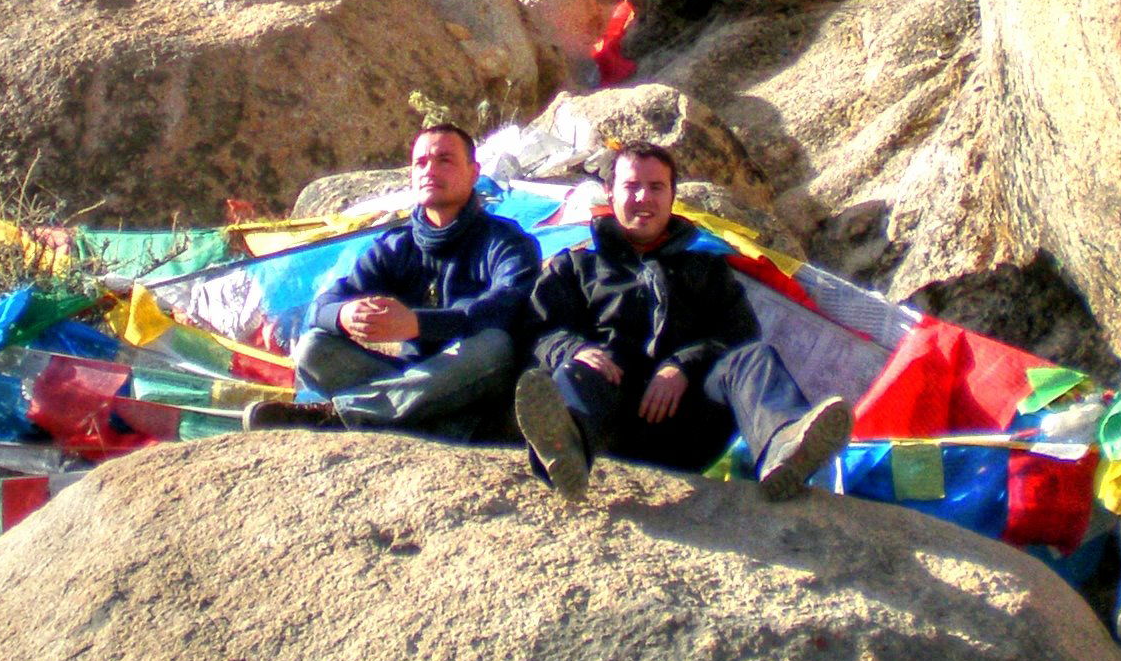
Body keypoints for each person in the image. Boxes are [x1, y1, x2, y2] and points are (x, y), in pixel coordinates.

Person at [512, 145, 850, 504]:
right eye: (632, 186)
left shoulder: (706, 270)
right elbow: (536, 329)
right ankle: (565, 451)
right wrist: (575, 349)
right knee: (576, 371)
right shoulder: (576, 268)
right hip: (606, 419)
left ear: (672, 196)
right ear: (610, 193)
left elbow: (739, 334)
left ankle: (786, 452)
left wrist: (682, 366)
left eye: (656, 187)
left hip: (685, 423)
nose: (644, 197)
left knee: (753, 359)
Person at [249, 123, 538, 436]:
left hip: (474, 377)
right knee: (313, 349)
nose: (430, 170)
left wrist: (417, 324)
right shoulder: (396, 246)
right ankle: (441, 424)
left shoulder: (506, 241)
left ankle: (339, 417)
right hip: (412, 380)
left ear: (473, 172)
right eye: (421, 163)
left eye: (445, 160)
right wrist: (345, 315)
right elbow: (321, 308)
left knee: (492, 346)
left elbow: (508, 308)